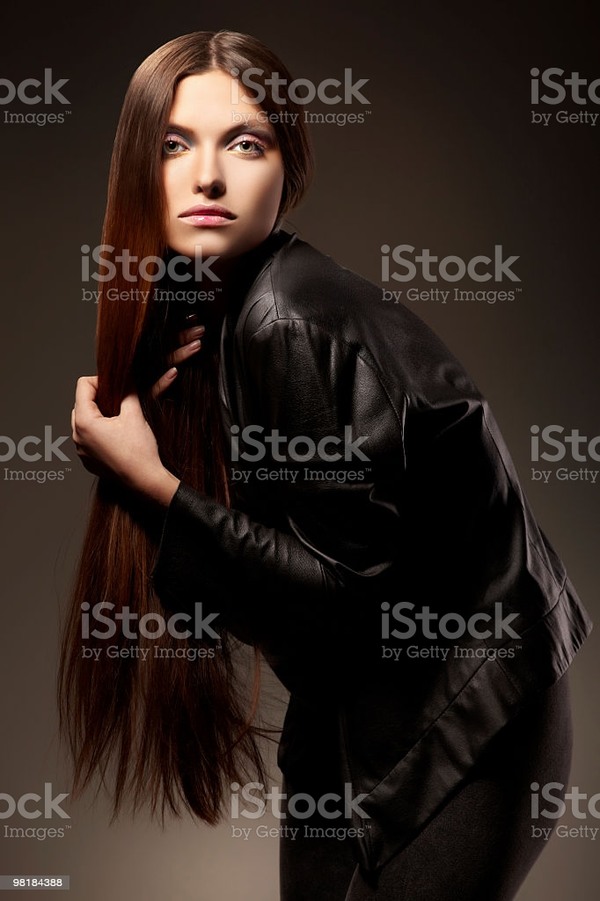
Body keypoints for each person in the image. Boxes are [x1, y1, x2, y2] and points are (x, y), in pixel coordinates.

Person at [62, 30, 592, 900]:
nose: (207, 177)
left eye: (245, 143)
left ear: (290, 167)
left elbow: (345, 605)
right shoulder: (217, 313)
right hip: (357, 702)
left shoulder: (285, 317)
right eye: (174, 144)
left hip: (467, 708)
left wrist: (152, 484)